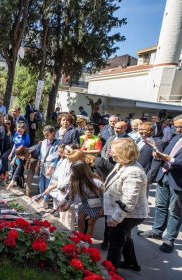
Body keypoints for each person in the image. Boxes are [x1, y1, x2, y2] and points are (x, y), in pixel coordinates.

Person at [138, 115, 182, 253]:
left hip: (178, 181)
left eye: (180, 126)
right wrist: (159, 155)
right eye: (176, 126)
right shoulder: (175, 137)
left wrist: (170, 159)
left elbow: (175, 160)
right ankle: (157, 231)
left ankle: (169, 239)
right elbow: (166, 154)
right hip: (164, 176)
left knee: (175, 211)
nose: (177, 129)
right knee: (161, 206)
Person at [103, 138, 148, 271]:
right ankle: (131, 263)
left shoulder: (133, 171)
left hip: (128, 214)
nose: (110, 152)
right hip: (123, 212)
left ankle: (109, 271)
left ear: (123, 152)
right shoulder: (122, 164)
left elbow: (129, 201)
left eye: (113, 150)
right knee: (124, 236)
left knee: (115, 241)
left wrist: (116, 218)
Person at [67, 160, 103, 236]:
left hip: (97, 204)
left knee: (91, 222)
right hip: (86, 202)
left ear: (80, 173)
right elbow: (72, 193)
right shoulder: (76, 180)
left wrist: (103, 208)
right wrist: (68, 203)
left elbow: (104, 195)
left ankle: (87, 240)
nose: (72, 173)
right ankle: (81, 236)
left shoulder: (96, 181)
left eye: (73, 171)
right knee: (80, 219)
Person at [31, 126, 60, 207]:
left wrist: (51, 168)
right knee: (41, 184)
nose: (46, 136)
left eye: (47, 135)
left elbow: (56, 157)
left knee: (48, 185)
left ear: (52, 133)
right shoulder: (43, 142)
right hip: (42, 166)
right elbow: (40, 155)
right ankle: (41, 198)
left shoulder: (57, 144)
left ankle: (45, 201)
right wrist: (38, 164)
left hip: (50, 167)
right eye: (44, 135)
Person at [0, 115, 15, 179]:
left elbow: (15, 142)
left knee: (4, 157)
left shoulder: (14, 130)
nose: (7, 125)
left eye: (8, 123)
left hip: (11, 148)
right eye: (5, 123)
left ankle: (7, 173)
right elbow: (0, 140)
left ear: (11, 122)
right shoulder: (1, 129)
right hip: (3, 148)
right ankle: (2, 176)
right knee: (0, 167)